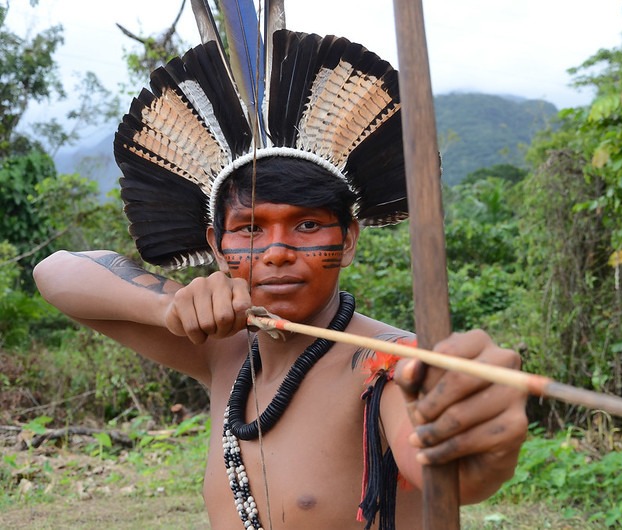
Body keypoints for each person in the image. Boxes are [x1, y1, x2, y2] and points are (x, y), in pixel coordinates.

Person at [34, 26, 528, 530]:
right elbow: (55, 272)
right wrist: (169, 307)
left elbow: (447, 458)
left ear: (350, 238)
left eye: (307, 225)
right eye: (249, 229)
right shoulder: (223, 352)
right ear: (215, 245)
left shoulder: (387, 366)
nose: (276, 253)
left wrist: (471, 435)